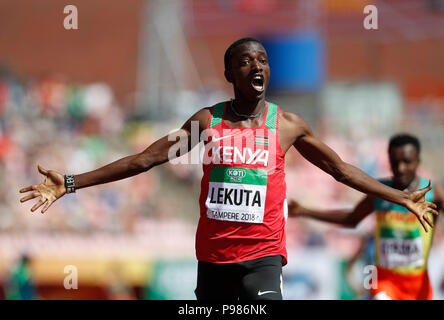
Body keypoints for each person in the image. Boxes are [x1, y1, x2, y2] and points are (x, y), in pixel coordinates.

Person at [19, 38, 438, 300]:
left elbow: (341, 170)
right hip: (215, 259)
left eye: (263, 59)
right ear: (229, 73)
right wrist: (71, 183)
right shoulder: (207, 122)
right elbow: (145, 159)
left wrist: (399, 196)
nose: (256, 66)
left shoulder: (288, 125)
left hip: (263, 258)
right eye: (245, 61)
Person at [288, 134, 443, 300]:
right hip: (385, 281)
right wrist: (304, 211)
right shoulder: (381, 191)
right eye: (395, 162)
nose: (401, 168)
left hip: (418, 284)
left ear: (417, 161)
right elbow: (351, 218)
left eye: (407, 162)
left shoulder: (433, 193)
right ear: (389, 161)